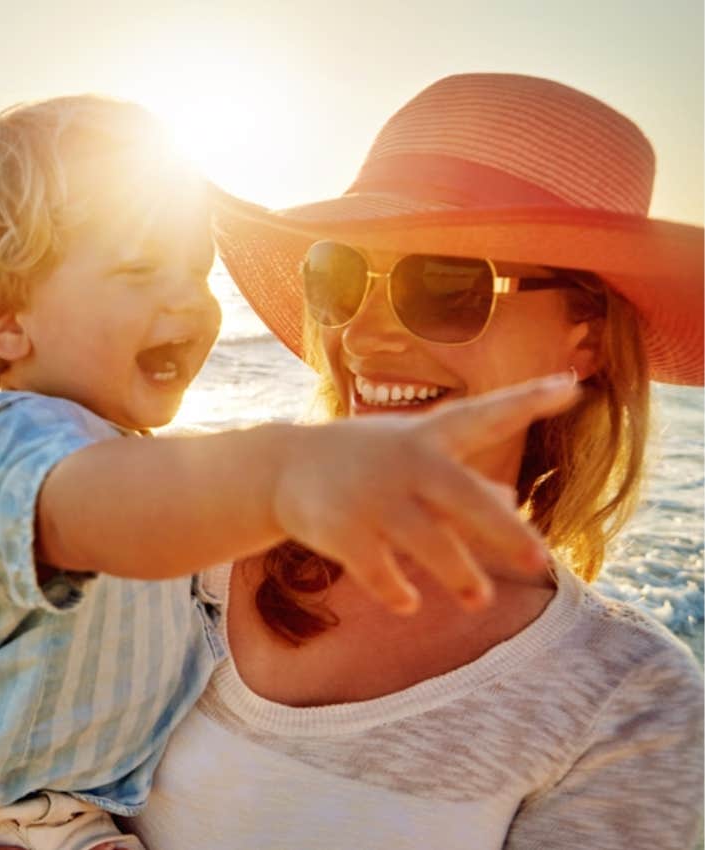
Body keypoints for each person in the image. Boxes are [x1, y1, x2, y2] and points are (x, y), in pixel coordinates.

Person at [0, 94, 569, 850]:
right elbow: (110, 511)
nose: (187, 301)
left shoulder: (123, 450)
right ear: (4, 318)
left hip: (81, 819)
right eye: (139, 269)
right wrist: (284, 474)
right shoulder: (3, 443)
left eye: (198, 273)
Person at [124, 73, 705, 849]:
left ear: (587, 340)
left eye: (443, 286)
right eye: (341, 278)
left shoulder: (633, 703)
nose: (363, 339)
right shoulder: (180, 515)